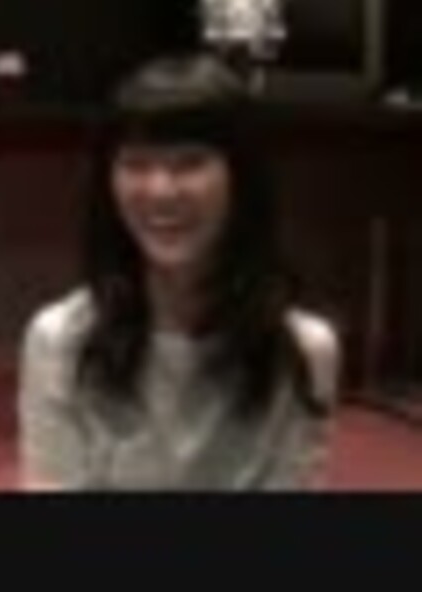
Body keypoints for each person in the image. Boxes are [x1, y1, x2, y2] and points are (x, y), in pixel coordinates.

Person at [18, 53, 340, 491]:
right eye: (136, 164)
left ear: (241, 179)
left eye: (190, 162)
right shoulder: (60, 340)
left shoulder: (303, 351)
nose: (161, 190)